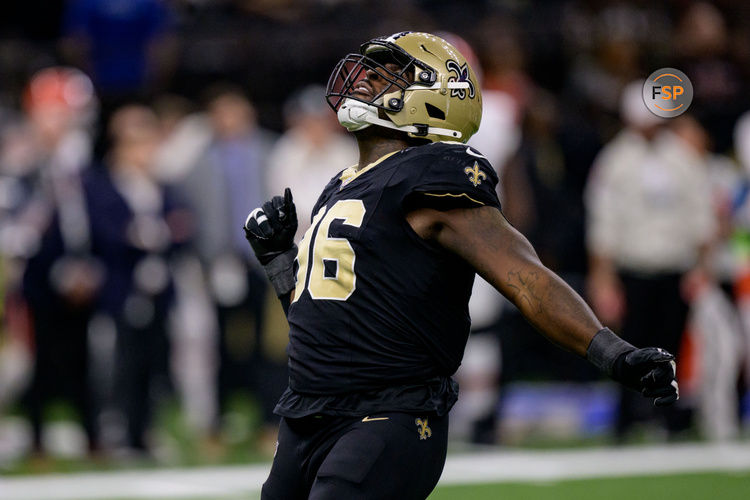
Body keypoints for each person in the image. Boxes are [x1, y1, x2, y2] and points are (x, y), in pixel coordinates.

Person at [243, 32, 679, 500]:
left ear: (434, 98)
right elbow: (325, 321)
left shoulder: (433, 174)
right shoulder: (341, 184)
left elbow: (525, 278)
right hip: (307, 416)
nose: (366, 78)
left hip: (386, 415)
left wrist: (612, 353)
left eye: (390, 72)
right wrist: (279, 261)